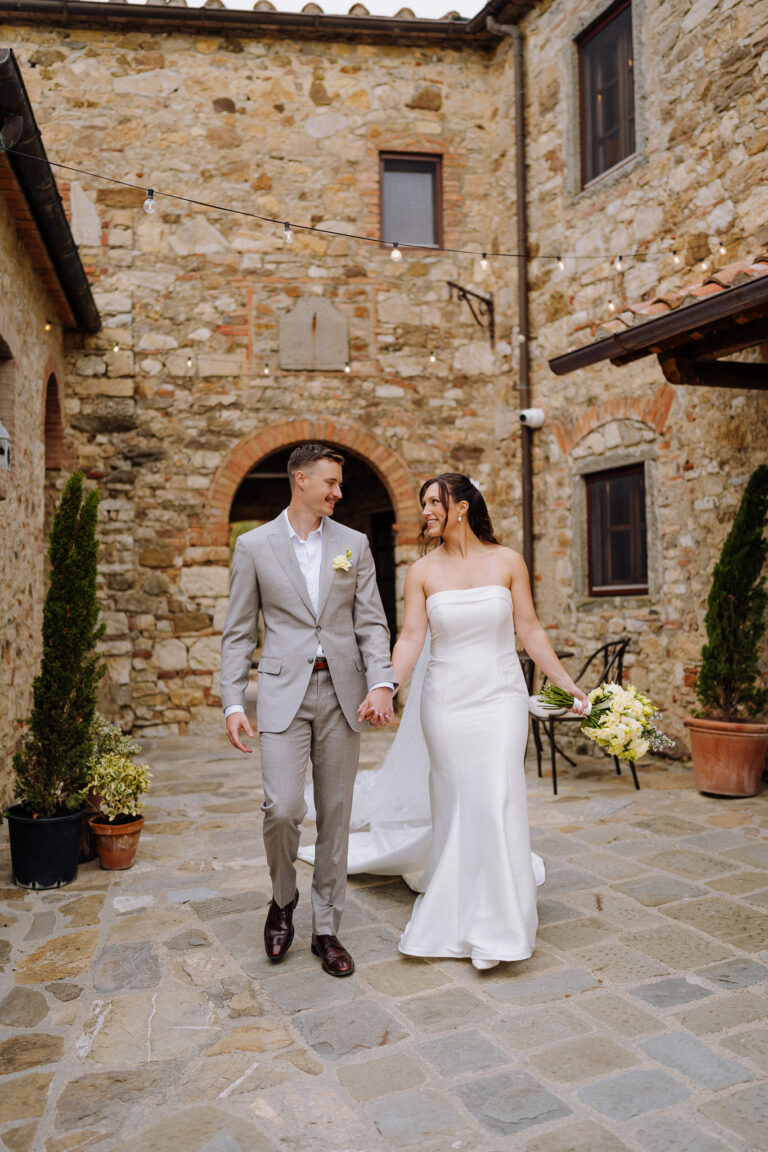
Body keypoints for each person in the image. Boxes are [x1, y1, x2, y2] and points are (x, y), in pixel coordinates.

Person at [355, 472, 588, 970]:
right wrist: (385, 687)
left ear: (462, 506)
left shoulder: (507, 562)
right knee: (458, 800)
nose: (427, 512)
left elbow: (528, 627)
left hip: (501, 697)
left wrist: (565, 683)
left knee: (499, 795)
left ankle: (503, 922)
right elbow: (412, 638)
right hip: (445, 701)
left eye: (435, 502)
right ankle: (456, 912)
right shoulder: (422, 572)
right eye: (423, 505)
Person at [220, 443, 396, 977]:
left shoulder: (355, 545)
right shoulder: (253, 546)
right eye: (331, 483)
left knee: (337, 813)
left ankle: (326, 929)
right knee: (281, 807)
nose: (339, 493)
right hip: (280, 694)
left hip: (343, 692)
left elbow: (371, 622)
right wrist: (232, 701)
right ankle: (282, 900)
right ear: (300, 479)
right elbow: (238, 632)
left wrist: (383, 681)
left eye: (340, 485)